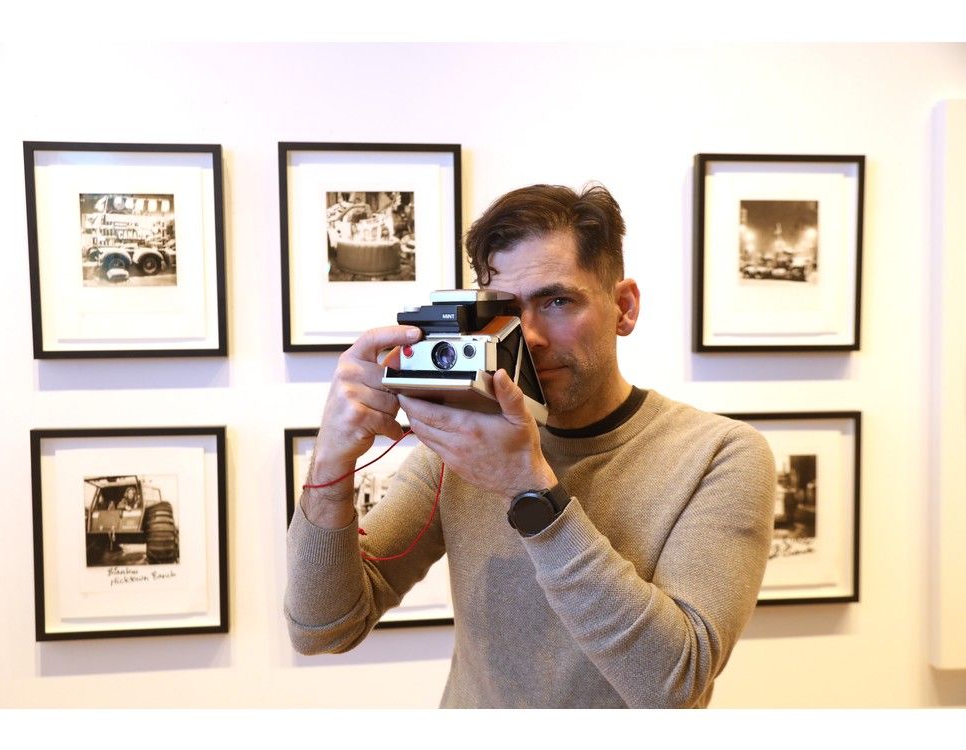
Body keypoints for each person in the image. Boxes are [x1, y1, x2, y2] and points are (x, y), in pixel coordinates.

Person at [285, 183, 776, 708]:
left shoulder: (721, 454)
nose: (531, 336)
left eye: (558, 301)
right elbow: (322, 628)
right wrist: (332, 460)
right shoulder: (463, 445)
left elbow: (675, 683)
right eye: (506, 312)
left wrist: (528, 487)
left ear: (624, 307)